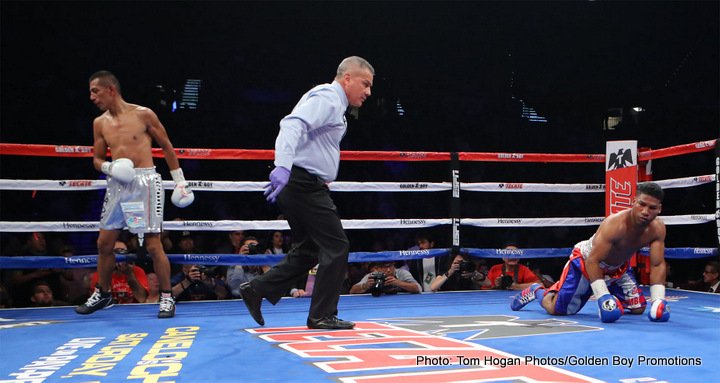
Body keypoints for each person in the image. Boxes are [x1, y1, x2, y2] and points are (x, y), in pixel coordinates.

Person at [239, 56, 374, 330]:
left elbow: (314, 143)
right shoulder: (328, 97)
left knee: (310, 250)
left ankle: (256, 289)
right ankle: (321, 315)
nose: (369, 92)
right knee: (337, 246)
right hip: (301, 182)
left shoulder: (335, 103)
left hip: (305, 182)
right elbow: (291, 124)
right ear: (347, 78)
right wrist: (282, 166)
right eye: (365, 84)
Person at [76, 70, 194, 318]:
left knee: (152, 244)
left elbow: (166, 146)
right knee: (104, 243)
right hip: (117, 183)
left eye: (95, 91)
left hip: (145, 183)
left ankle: (165, 297)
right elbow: (97, 158)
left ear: (111, 90)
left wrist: (180, 181)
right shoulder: (100, 123)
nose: (91, 97)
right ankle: (103, 294)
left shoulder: (143, 114)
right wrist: (109, 167)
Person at [511, 182, 670, 323]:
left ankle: (611, 297)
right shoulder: (615, 225)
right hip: (586, 262)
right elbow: (593, 261)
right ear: (633, 201)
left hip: (618, 267)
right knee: (558, 310)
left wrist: (658, 299)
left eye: (652, 208)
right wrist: (602, 297)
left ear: (660, 209)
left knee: (638, 308)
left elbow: (657, 264)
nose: (645, 211)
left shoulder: (657, 229)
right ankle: (536, 290)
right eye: (642, 204)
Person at [87, 241, 149, 305]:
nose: (120, 256)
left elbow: (142, 298)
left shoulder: (137, 271)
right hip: (109, 310)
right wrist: (108, 271)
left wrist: (129, 274)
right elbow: (96, 301)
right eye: (117, 252)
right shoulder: (101, 273)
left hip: (133, 311)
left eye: (123, 252)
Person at [349, 262, 421, 295]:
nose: (389, 270)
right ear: (378, 268)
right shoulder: (373, 276)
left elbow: (418, 288)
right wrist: (365, 285)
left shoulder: (402, 273)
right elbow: (352, 291)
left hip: (401, 304)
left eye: (390, 266)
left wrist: (398, 283)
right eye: (385, 267)